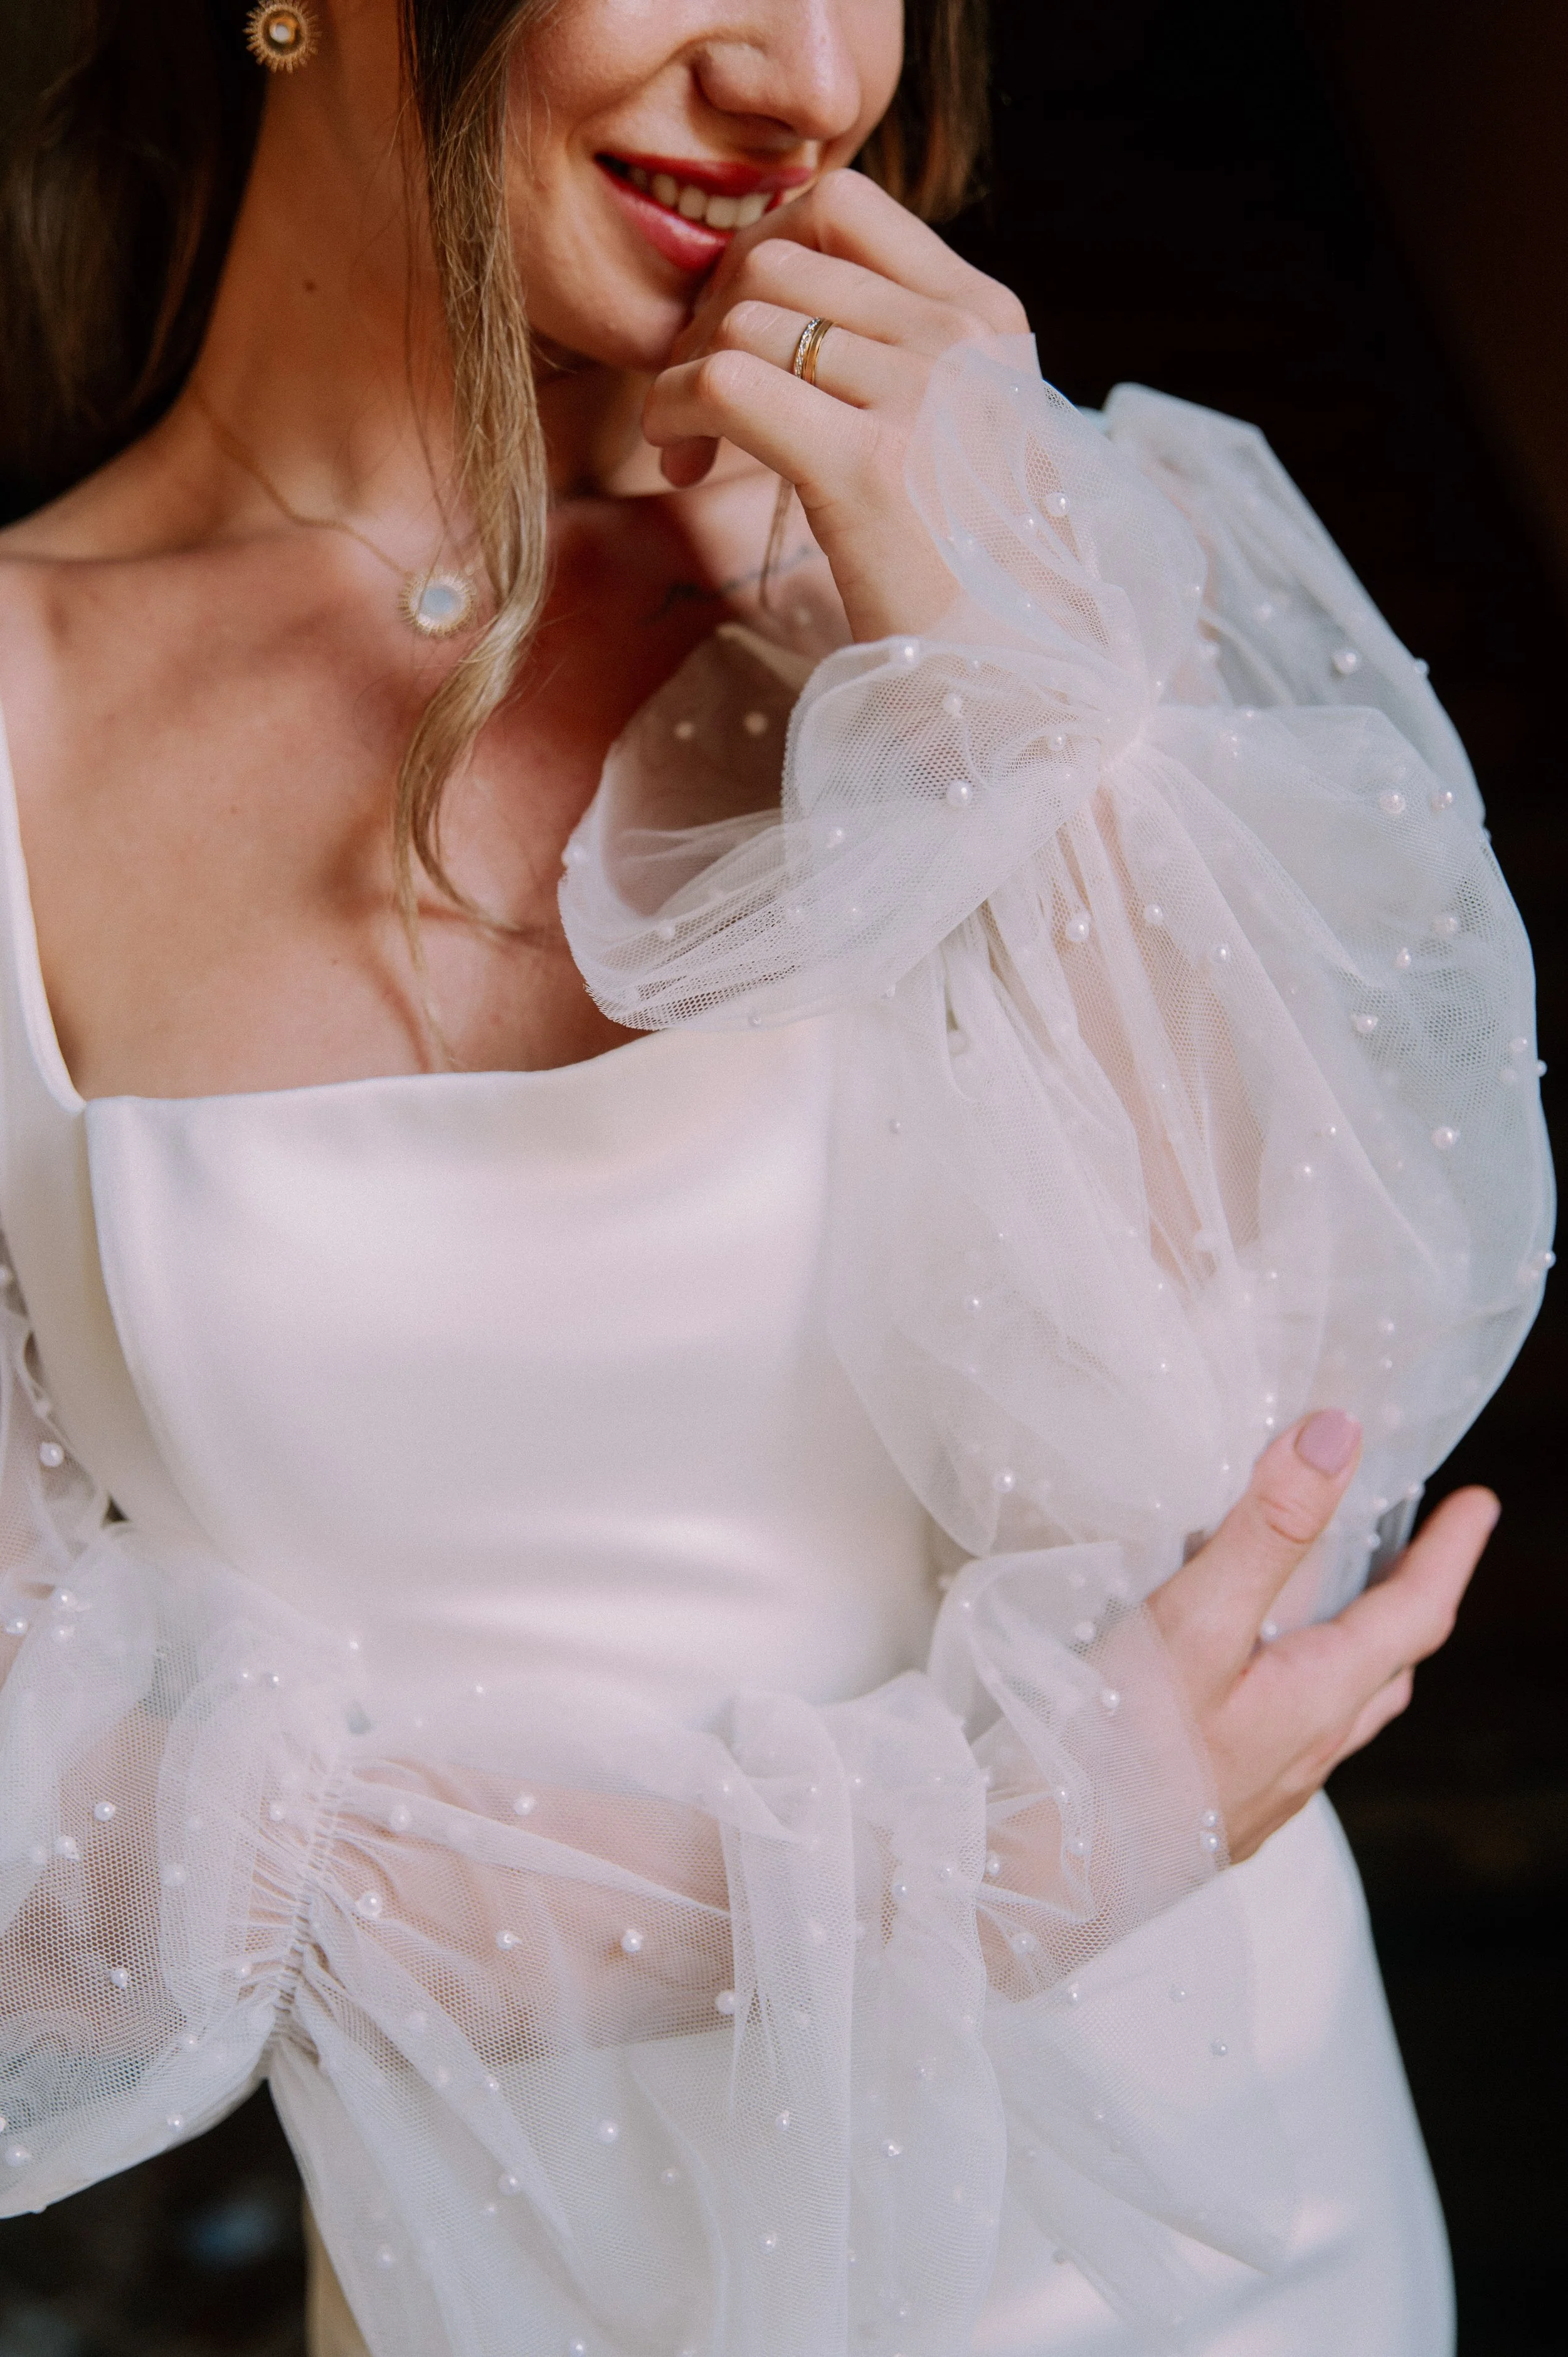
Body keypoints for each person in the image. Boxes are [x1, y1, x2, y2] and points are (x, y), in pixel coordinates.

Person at [0, 4, 1550, 2354]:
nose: (810, 75)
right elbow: (34, 1850)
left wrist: (1003, 656)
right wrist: (943, 1882)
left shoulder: (961, 553)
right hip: (527, 2293)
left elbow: (1226, 1468)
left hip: (1231, 2250)